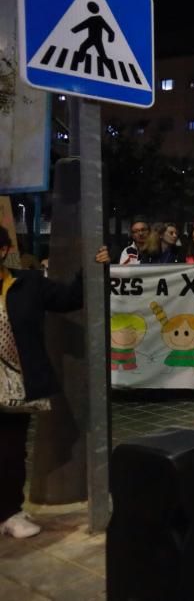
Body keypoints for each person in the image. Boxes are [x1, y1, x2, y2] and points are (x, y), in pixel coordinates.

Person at [0, 228, 97, 539]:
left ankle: (10, 512)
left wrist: (94, 267)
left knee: (11, 451)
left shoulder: (26, 284)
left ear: (3, 251)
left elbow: (69, 297)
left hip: (15, 386)